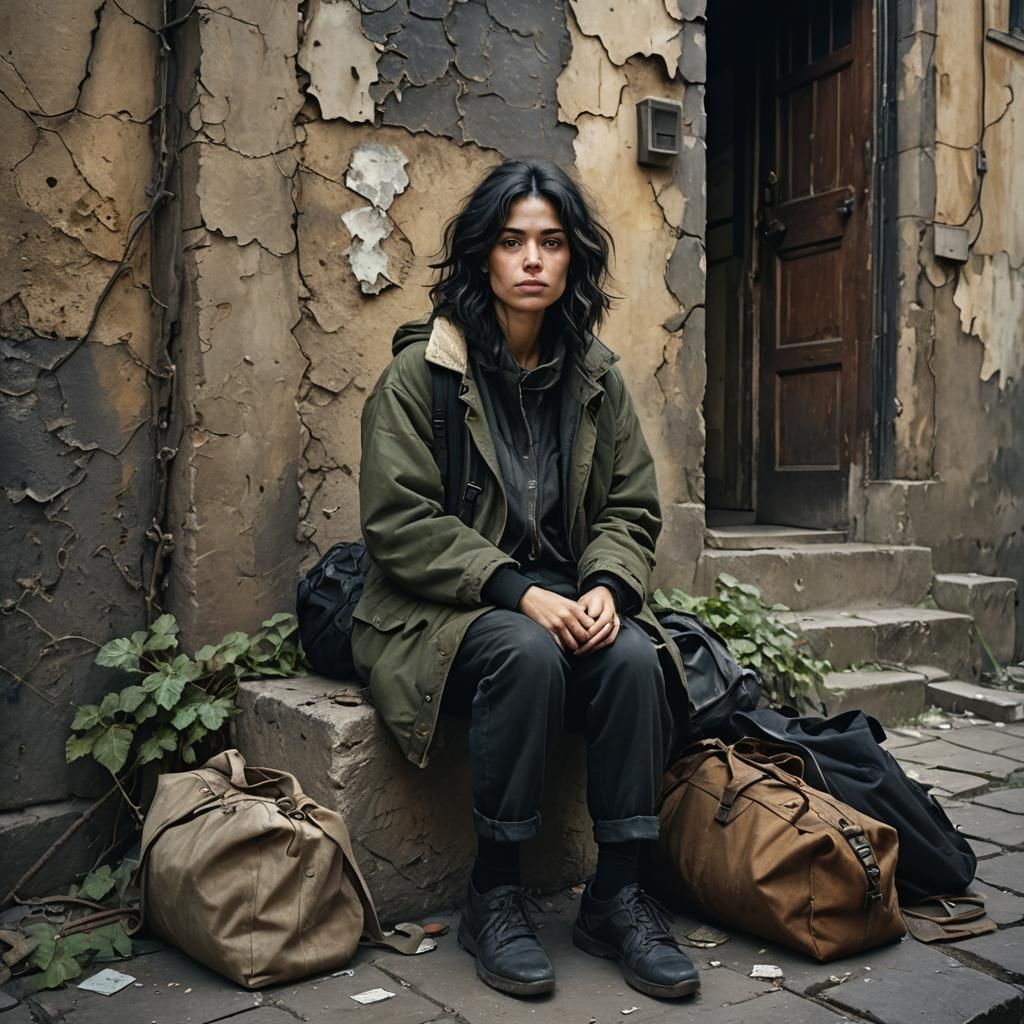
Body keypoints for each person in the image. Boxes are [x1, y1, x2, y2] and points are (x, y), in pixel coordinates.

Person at [353, 159, 697, 1000]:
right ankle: (494, 892)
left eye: (551, 242)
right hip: (441, 607)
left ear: (573, 259)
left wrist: (607, 590)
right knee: (527, 654)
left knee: (632, 659)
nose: (533, 259)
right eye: (513, 242)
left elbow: (629, 507)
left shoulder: (595, 379)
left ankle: (616, 896)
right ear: (482, 258)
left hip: (558, 594)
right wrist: (520, 591)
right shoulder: (420, 378)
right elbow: (400, 522)